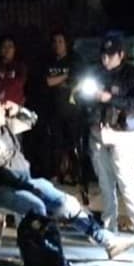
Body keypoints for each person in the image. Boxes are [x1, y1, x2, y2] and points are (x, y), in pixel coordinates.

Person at [0, 91, 134, 260]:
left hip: (25, 183)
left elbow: (31, 120)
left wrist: (19, 109)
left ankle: (108, 241)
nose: (2, 111)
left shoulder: (5, 127)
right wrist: (29, 182)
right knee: (35, 206)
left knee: (67, 203)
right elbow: (1, 167)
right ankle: (37, 256)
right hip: (2, 189)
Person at [84, 32, 134, 249]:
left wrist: (111, 98)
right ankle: (109, 229)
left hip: (122, 134)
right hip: (98, 132)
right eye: (104, 54)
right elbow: (81, 97)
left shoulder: (133, 75)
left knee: (127, 183)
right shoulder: (96, 73)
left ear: (121, 54)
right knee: (105, 183)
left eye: (111, 55)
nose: (106, 59)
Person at [44, 30, 84, 184]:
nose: (57, 45)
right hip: (54, 110)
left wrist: (60, 81)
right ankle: (57, 173)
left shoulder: (75, 60)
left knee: (74, 143)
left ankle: (75, 174)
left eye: (60, 41)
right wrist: (66, 77)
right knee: (56, 145)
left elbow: (78, 81)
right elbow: (48, 82)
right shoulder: (49, 61)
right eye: (55, 42)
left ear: (66, 43)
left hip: (73, 111)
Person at [0, 34, 27, 106]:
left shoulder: (20, 66)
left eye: (10, 46)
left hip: (13, 105)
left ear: (14, 49)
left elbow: (19, 83)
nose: (7, 49)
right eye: (4, 46)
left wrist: (3, 86)